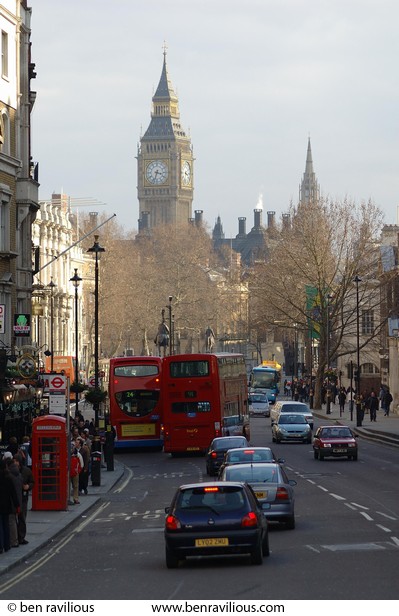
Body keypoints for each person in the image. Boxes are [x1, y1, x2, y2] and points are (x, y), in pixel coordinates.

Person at [0, 458, 19, 554]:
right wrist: (17, 505)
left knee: (0, 526)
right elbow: (13, 493)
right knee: (6, 525)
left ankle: (0, 546)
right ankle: (7, 545)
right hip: (6, 505)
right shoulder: (9, 477)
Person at [4, 453, 22, 548]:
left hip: (11, 502)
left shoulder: (10, 475)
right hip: (17, 500)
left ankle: (14, 541)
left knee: (11, 522)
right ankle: (16, 539)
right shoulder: (18, 473)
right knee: (14, 521)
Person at [17, 454, 34, 545]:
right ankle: (15, 538)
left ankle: (21, 537)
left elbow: (32, 482)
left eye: (15, 461)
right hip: (14, 497)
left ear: (19, 462)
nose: (14, 462)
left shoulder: (27, 471)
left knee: (22, 518)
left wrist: (28, 486)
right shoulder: (11, 471)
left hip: (23, 497)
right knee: (14, 519)